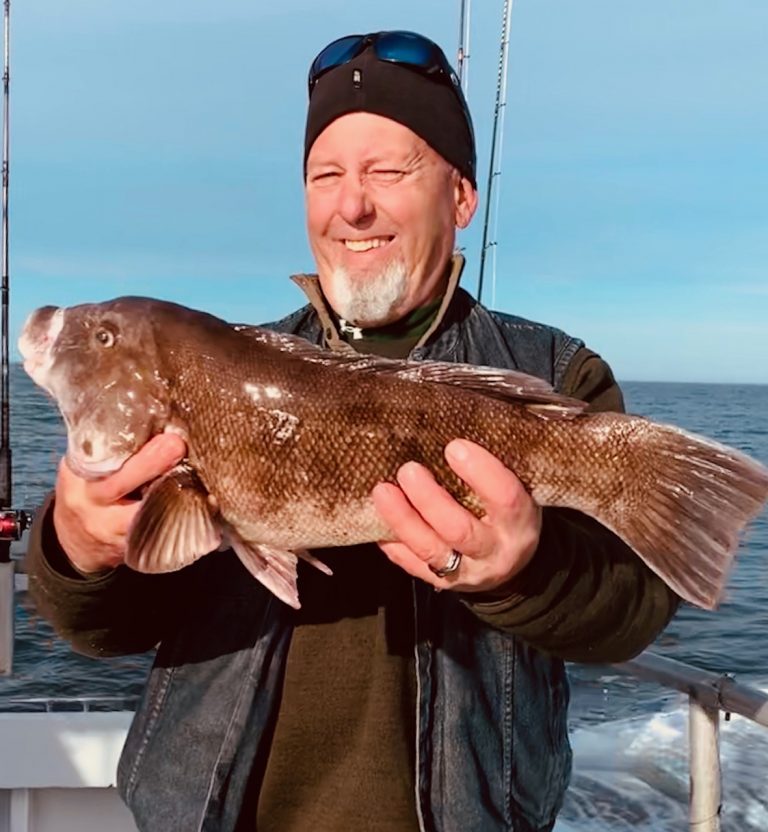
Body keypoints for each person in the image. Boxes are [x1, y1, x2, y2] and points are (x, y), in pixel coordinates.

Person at [27, 31, 680, 832]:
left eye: (388, 171)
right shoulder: (220, 370)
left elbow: (634, 611)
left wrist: (525, 569)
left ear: (462, 196)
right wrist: (77, 548)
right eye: (325, 175)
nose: (352, 205)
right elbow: (106, 631)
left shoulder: (557, 379)